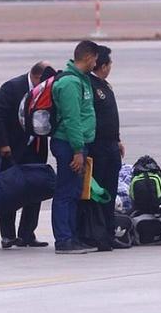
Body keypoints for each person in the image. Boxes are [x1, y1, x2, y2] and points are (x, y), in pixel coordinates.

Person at [0, 61, 55, 249]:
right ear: (36, 77)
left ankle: (27, 234)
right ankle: (8, 235)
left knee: (36, 187)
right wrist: (3, 144)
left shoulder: (46, 90)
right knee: (9, 189)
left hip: (35, 147)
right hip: (11, 147)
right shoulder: (12, 87)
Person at [50, 40, 100, 254]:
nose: (95, 64)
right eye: (95, 60)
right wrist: (78, 150)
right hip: (69, 145)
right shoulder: (70, 83)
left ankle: (72, 236)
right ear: (88, 57)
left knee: (74, 191)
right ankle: (63, 240)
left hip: (77, 144)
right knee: (65, 192)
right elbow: (72, 119)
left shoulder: (82, 80)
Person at [87, 45, 128, 251]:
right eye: (109, 64)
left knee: (111, 190)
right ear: (103, 66)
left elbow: (111, 117)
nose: (110, 67)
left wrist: (117, 139)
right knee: (99, 192)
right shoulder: (89, 85)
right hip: (98, 147)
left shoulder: (105, 86)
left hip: (111, 145)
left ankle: (109, 233)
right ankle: (98, 235)